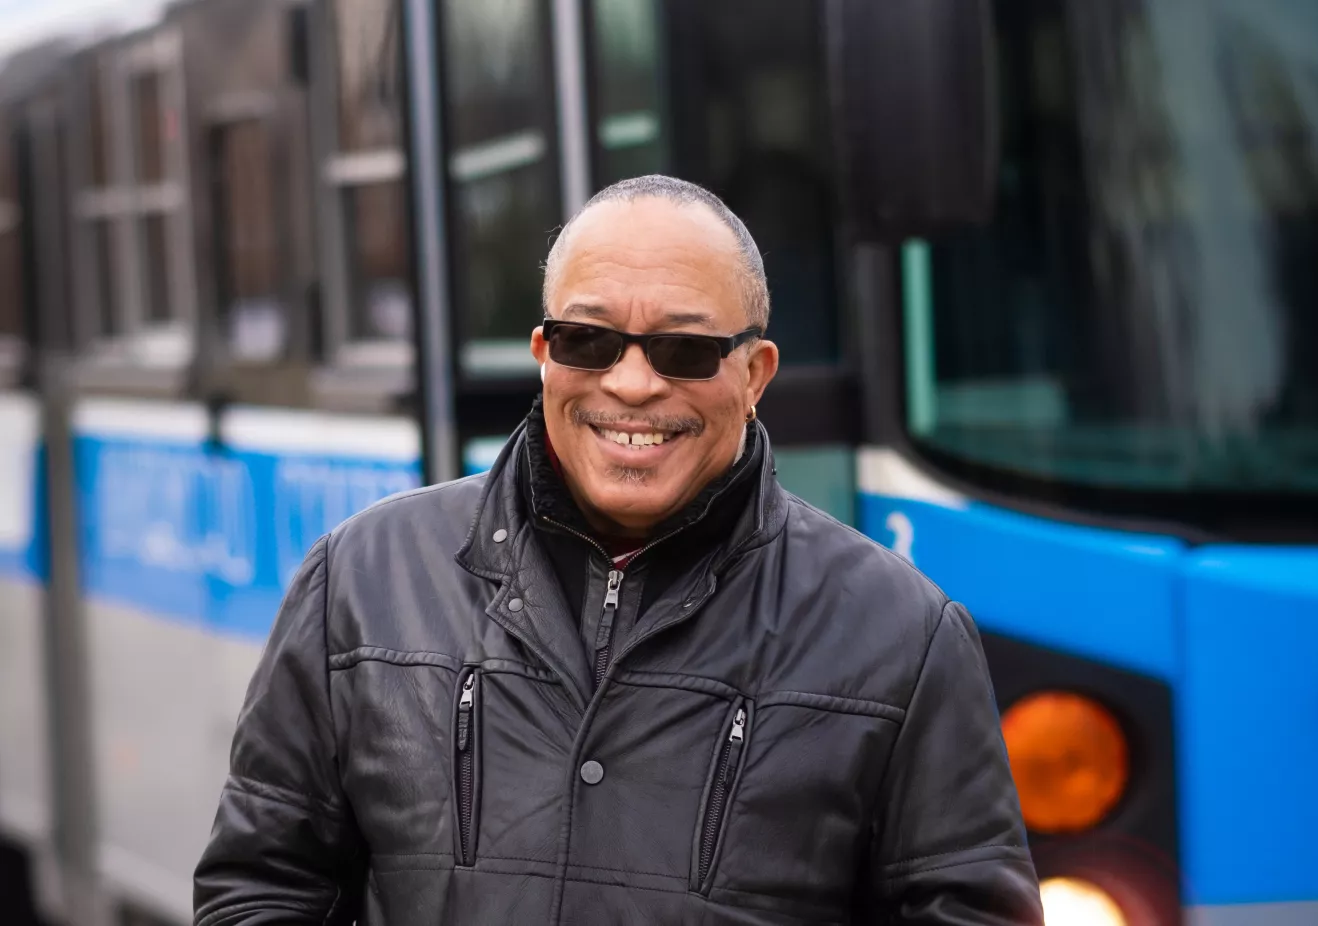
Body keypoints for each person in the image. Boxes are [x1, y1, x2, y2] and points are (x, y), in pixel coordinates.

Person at [194, 175, 1044, 925]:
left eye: (683, 350)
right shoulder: (360, 578)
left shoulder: (902, 634)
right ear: (543, 355)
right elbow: (259, 889)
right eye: (589, 341)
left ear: (756, 375)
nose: (632, 384)